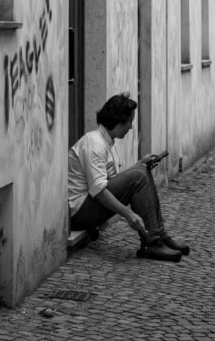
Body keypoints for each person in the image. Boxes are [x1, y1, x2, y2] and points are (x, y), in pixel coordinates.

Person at [68, 93, 190, 262]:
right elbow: (99, 190)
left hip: (89, 205)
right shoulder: (94, 144)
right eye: (130, 121)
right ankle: (152, 242)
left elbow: (111, 181)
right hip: (79, 213)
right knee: (138, 176)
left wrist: (139, 164)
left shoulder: (105, 141)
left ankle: (160, 235)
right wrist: (128, 214)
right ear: (119, 121)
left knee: (142, 171)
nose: (131, 127)